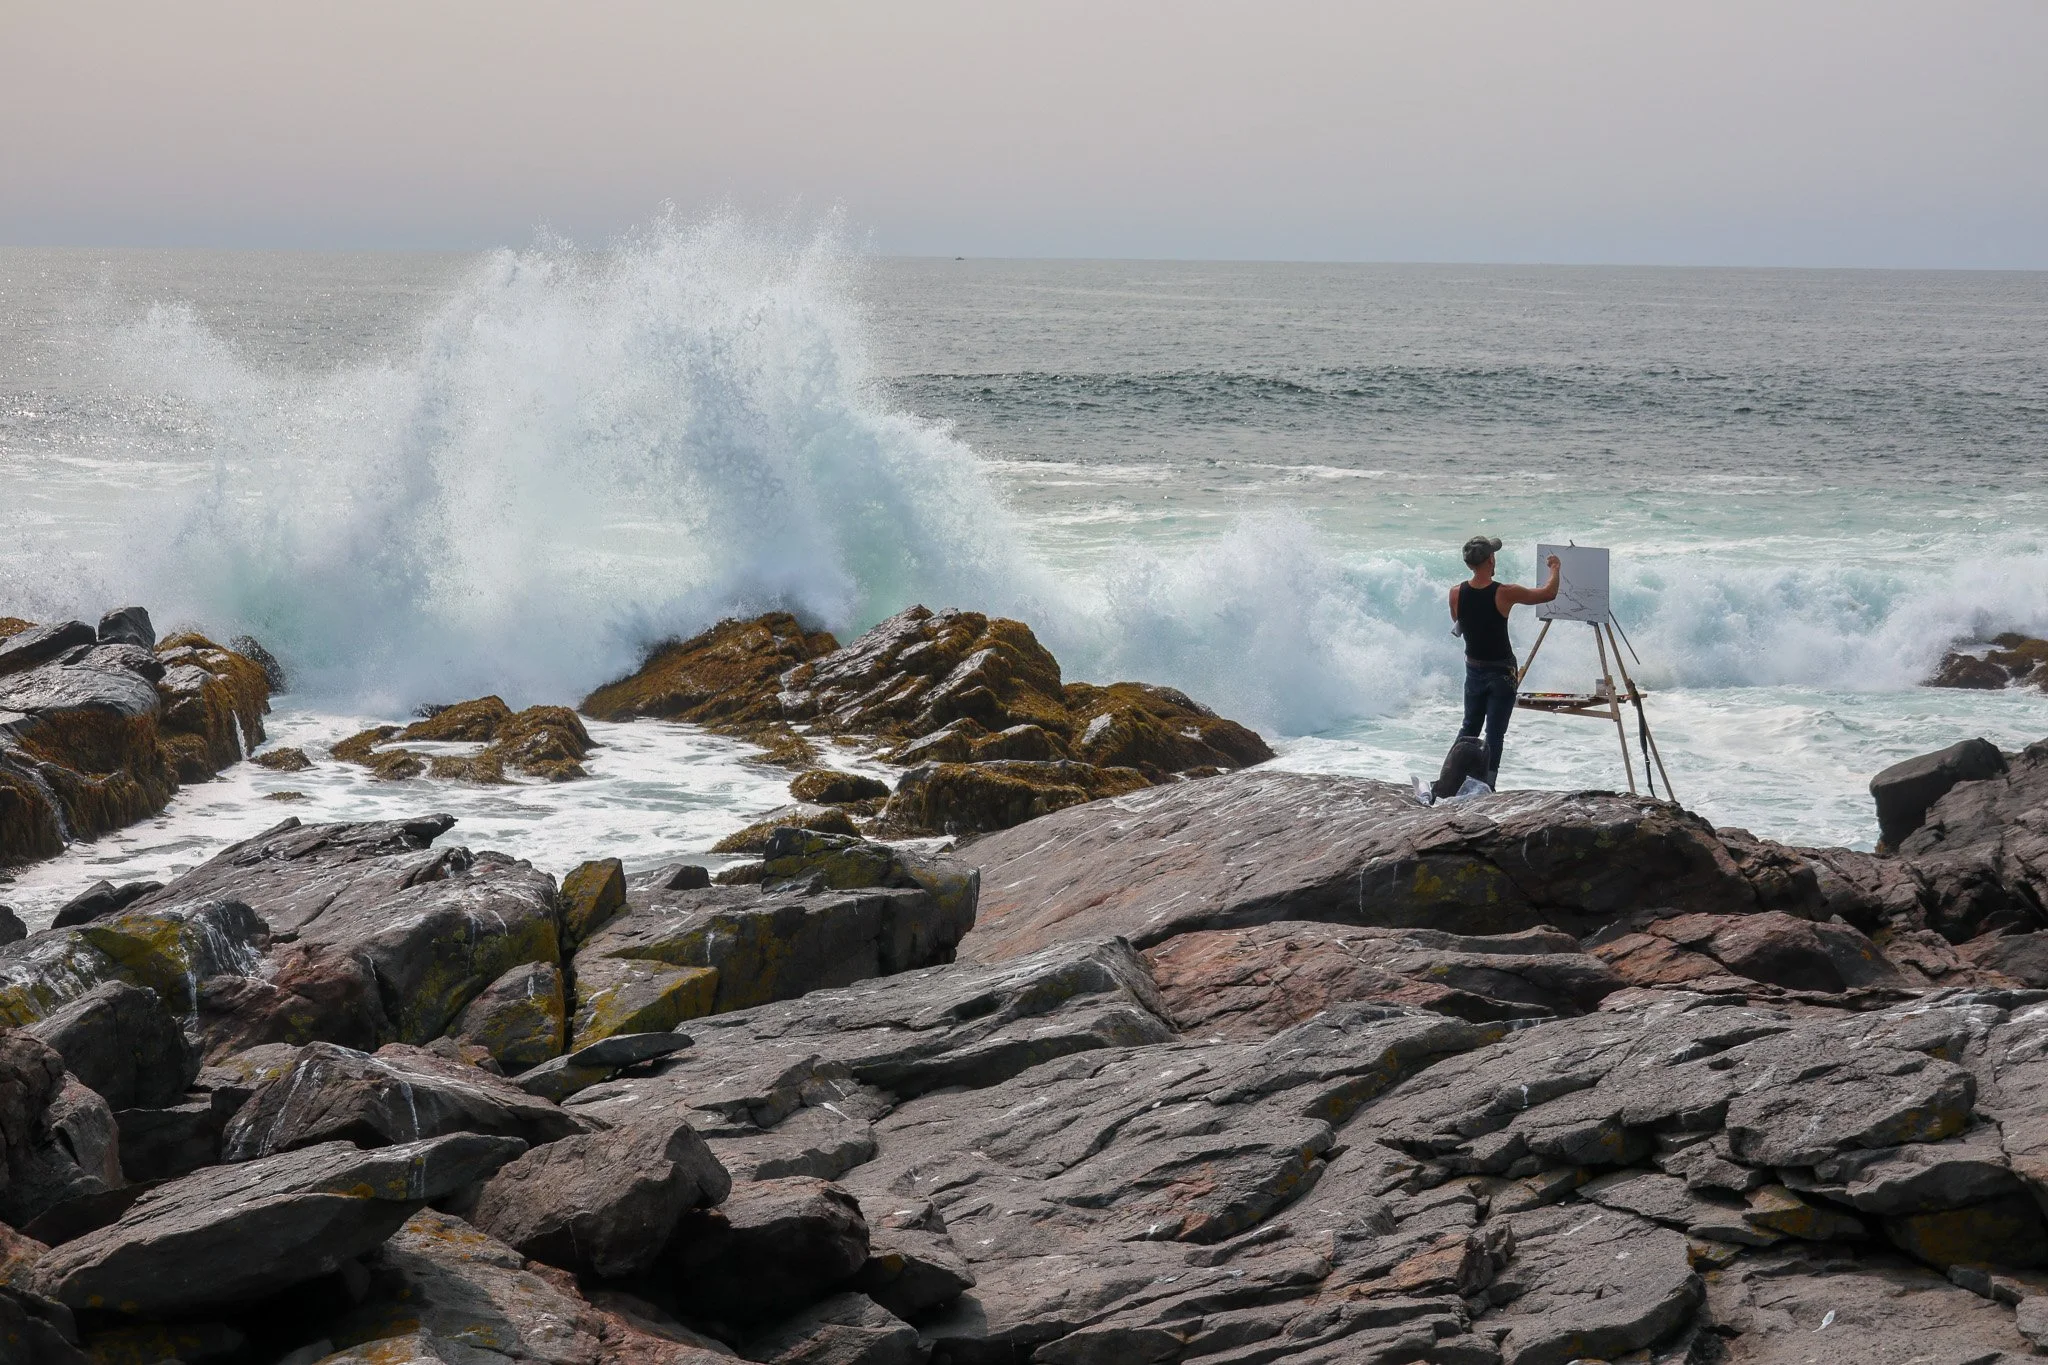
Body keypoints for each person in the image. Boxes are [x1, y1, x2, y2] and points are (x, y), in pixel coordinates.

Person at [1449, 536, 1559, 787]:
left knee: (1469, 727)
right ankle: (1487, 784)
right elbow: (1548, 593)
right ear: (1491, 559)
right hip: (1501, 671)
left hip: (1473, 668)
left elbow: (1459, 624)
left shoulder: (1456, 593)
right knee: (1494, 733)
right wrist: (1555, 568)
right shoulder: (1504, 592)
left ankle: (1452, 777)